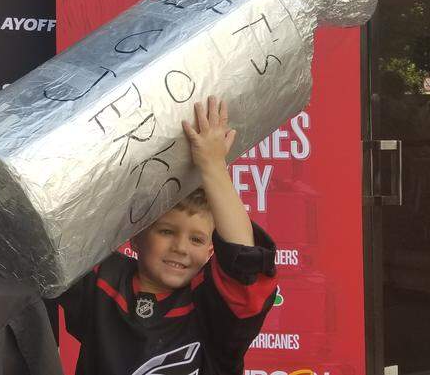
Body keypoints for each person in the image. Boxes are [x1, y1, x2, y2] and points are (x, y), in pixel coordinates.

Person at [56, 96, 278, 375]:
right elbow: (52, 238)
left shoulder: (212, 309)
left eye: (196, 239)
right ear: (135, 236)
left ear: (212, 251)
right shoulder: (102, 282)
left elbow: (244, 260)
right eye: (166, 231)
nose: (181, 247)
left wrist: (212, 165)